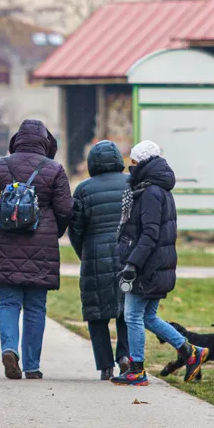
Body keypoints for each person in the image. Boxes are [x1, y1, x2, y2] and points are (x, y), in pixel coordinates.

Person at [0, 119, 74, 380]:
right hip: (42, 246)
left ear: (16, 140)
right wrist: (54, 230)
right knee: (35, 307)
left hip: (4, 243)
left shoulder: (0, 165)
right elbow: (65, 209)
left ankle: (9, 349)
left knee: (7, 302)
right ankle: (32, 365)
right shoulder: (54, 169)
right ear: (45, 143)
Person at [113, 139, 201, 388]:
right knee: (149, 317)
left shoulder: (150, 192)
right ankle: (191, 350)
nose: (130, 167)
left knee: (132, 316)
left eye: (133, 163)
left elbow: (149, 234)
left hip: (146, 266)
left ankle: (137, 369)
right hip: (158, 264)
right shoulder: (160, 188)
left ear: (141, 163)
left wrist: (132, 264)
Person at [67, 139, 130, 379]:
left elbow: (76, 228)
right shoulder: (131, 184)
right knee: (126, 310)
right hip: (127, 253)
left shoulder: (84, 189)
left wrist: (83, 251)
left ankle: (105, 366)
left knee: (97, 313)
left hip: (94, 253)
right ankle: (124, 356)